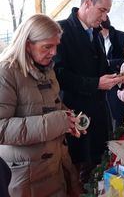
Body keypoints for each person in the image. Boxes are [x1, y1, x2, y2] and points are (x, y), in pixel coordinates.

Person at [0, 14, 80, 196]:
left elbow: (53, 107)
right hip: (25, 177)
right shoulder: (6, 72)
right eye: (47, 47)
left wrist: (70, 118)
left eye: (55, 46)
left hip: (53, 168)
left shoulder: (46, 69)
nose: (54, 53)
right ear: (28, 44)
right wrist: (58, 122)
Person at [54, 0, 124, 184]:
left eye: (107, 13)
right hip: (75, 116)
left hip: (100, 113)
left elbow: (98, 69)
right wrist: (95, 84)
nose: (104, 18)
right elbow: (58, 75)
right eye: (102, 10)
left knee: (96, 168)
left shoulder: (96, 34)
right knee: (75, 176)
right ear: (87, 3)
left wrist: (114, 77)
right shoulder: (60, 31)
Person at [99, 16, 124, 129]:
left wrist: (108, 63)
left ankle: (118, 135)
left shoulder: (121, 37)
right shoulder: (96, 38)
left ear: (101, 24)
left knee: (117, 115)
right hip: (102, 83)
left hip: (118, 82)